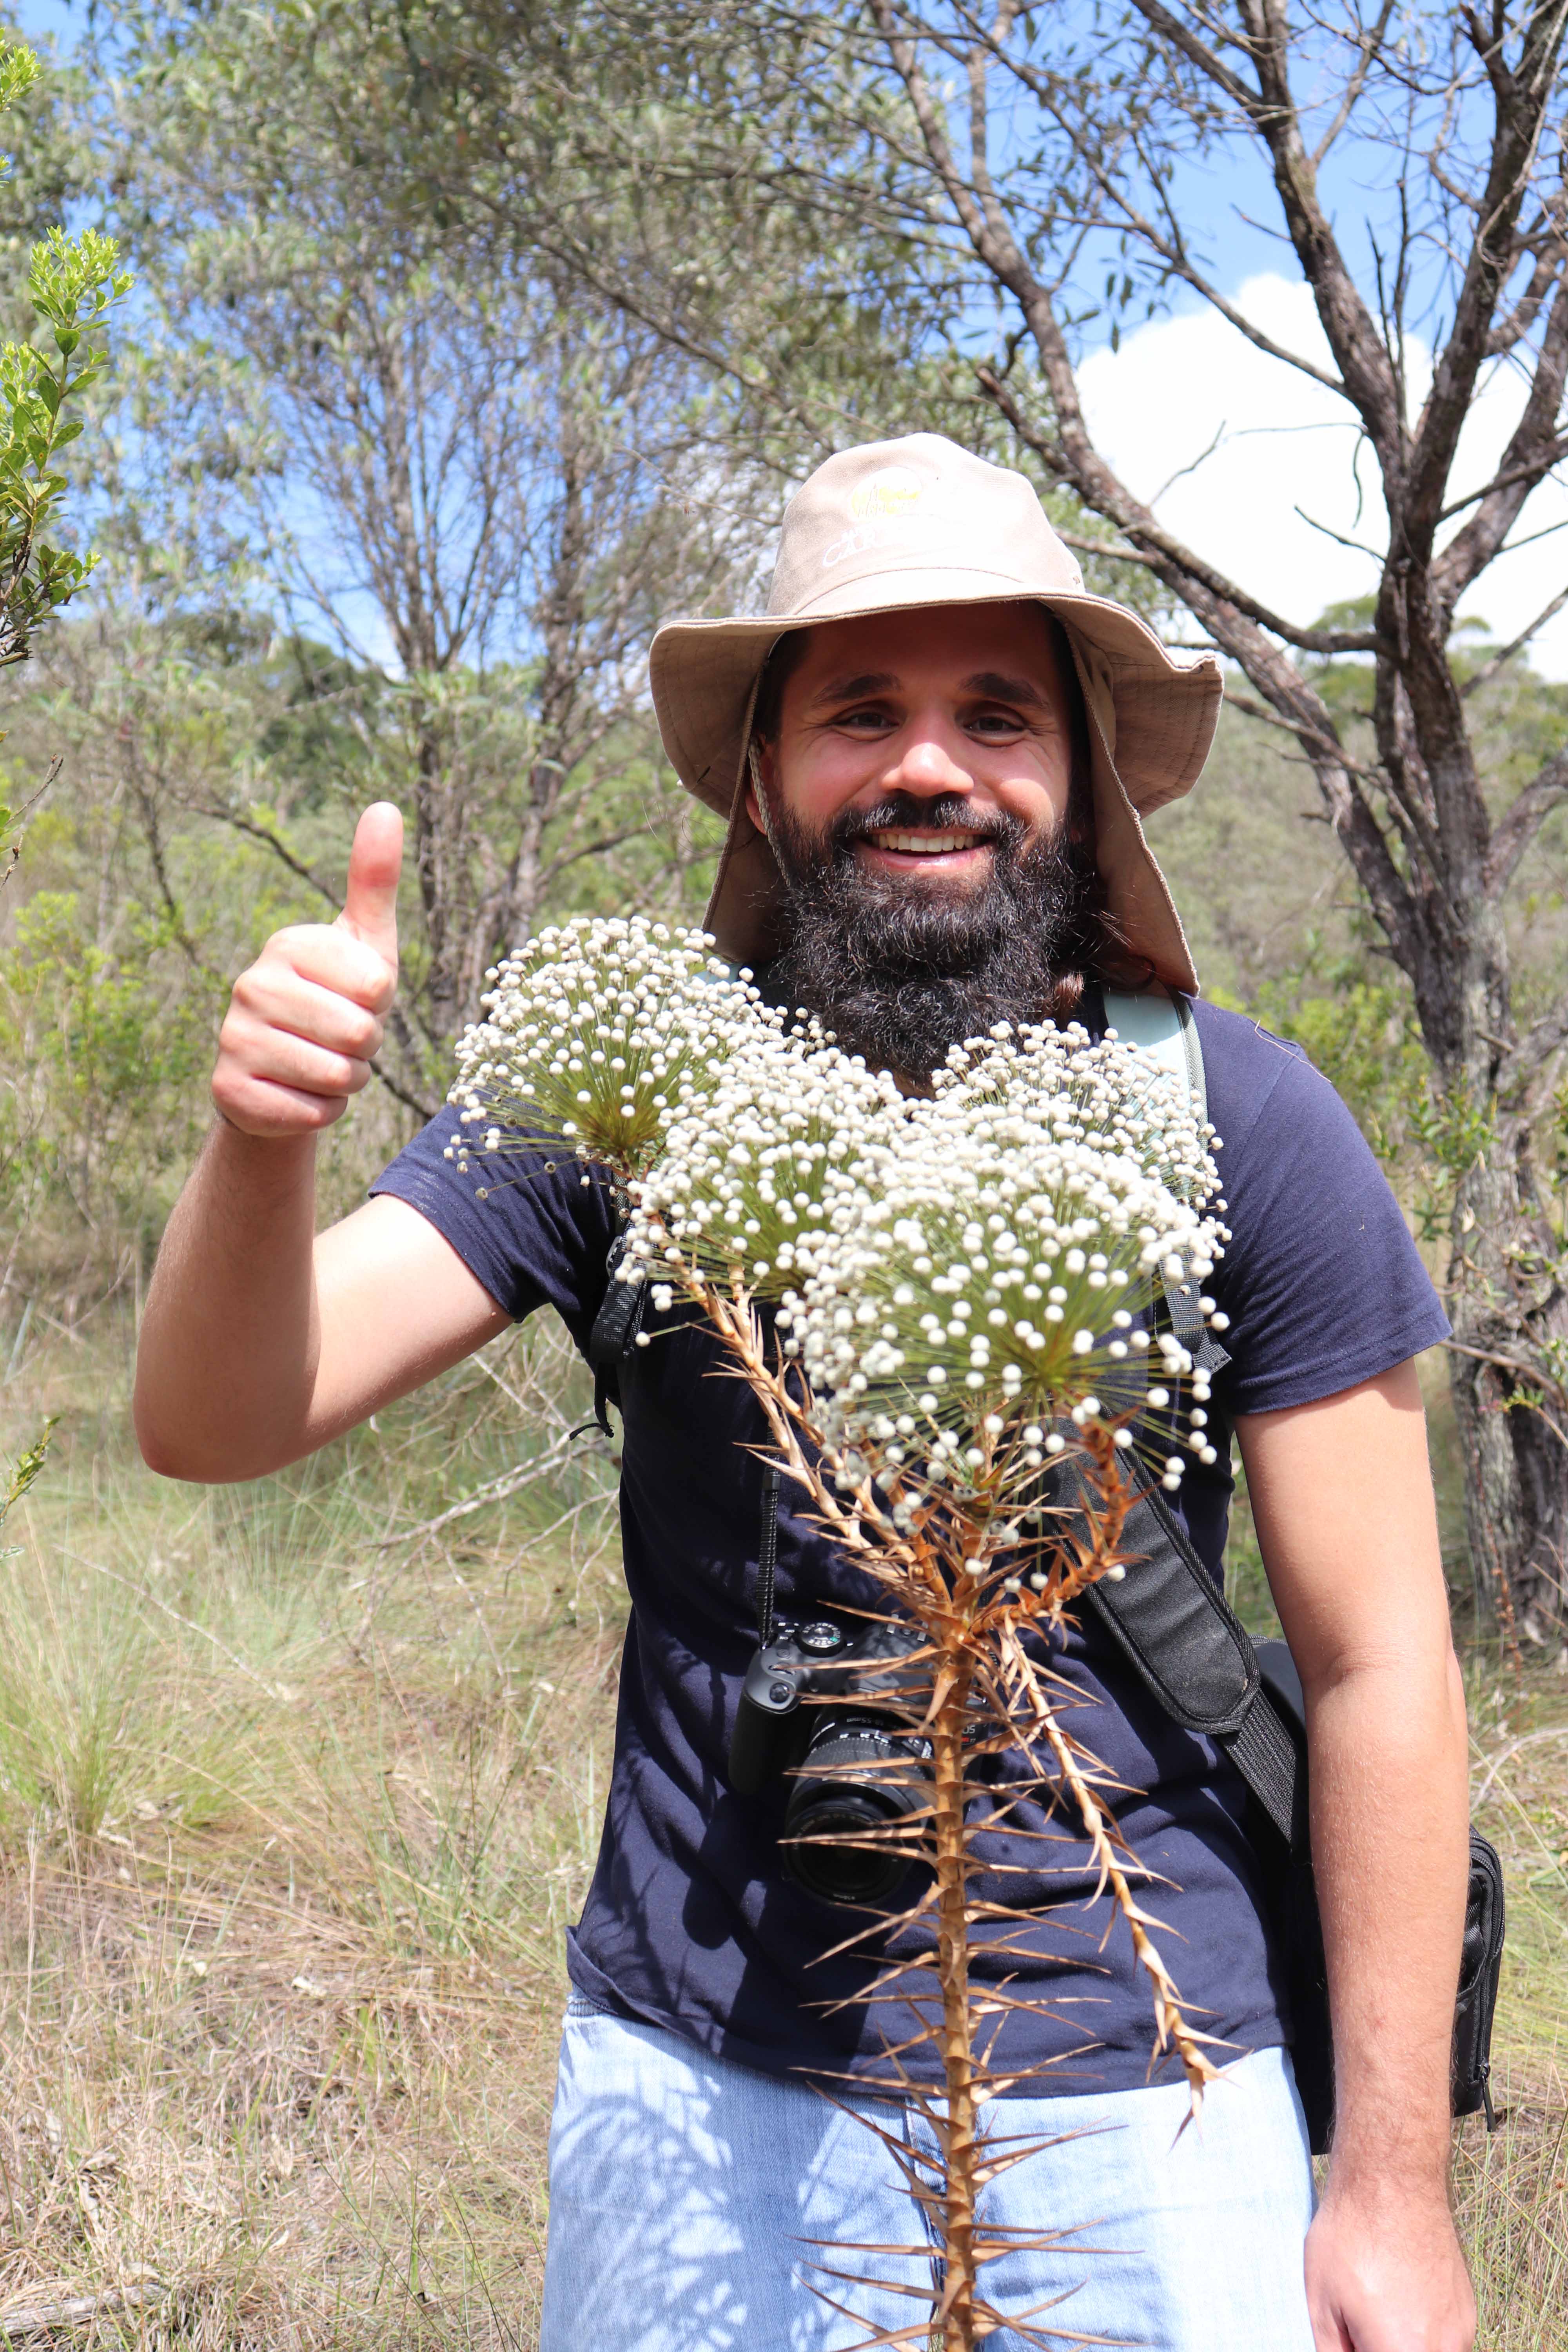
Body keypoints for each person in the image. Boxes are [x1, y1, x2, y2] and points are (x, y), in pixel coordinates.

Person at [134, 434, 1475, 2352]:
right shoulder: (631, 1105)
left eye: (994, 713)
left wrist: (1395, 2193)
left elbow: (1382, 1673)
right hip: (699, 2101)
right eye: (860, 710)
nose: (927, 765)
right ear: (765, 772)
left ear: (1079, 774)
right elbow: (219, 1420)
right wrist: (261, 1144)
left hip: (1153, 2111)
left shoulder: (1241, 1122)